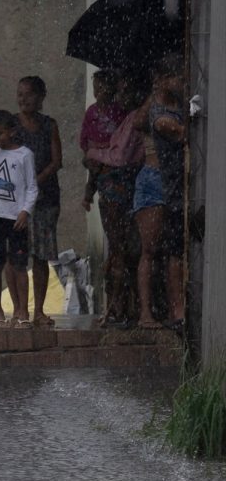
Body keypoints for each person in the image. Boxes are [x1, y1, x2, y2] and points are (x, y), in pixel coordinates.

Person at [80, 69, 136, 328]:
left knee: (120, 247)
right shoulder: (91, 114)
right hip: (104, 178)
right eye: (96, 87)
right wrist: (90, 187)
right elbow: (87, 148)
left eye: (103, 87)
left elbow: (123, 150)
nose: (99, 92)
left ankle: (120, 305)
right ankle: (117, 304)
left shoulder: (122, 113)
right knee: (117, 246)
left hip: (118, 177)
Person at [134, 55, 187, 331]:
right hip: (154, 182)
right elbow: (146, 123)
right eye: (177, 78)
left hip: (174, 185)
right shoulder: (156, 110)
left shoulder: (180, 103)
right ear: (165, 80)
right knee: (150, 249)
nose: (182, 82)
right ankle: (146, 313)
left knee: (171, 249)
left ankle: (172, 309)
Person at [9, 75, 62, 327]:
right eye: (20, 94)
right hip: (17, 202)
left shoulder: (49, 125)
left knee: (40, 257)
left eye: (28, 94)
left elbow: (56, 161)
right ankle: (20, 309)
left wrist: (35, 182)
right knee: (16, 256)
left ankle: (39, 310)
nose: (23, 99)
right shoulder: (12, 126)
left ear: (41, 97)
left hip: (45, 199)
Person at [0, 110, 38, 329]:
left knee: (19, 264)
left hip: (16, 218)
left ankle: (22, 310)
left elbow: (32, 187)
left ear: (12, 131)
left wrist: (26, 211)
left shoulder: (24, 155)